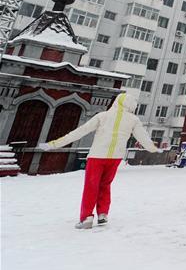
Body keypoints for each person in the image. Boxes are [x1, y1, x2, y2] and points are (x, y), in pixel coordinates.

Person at [38, 93, 159, 229]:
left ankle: (87, 218)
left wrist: (53, 144)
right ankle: (103, 213)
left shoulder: (103, 116)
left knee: (91, 186)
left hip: (97, 155)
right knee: (105, 185)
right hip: (115, 158)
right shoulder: (133, 120)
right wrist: (154, 149)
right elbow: (143, 138)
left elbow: (80, 132)